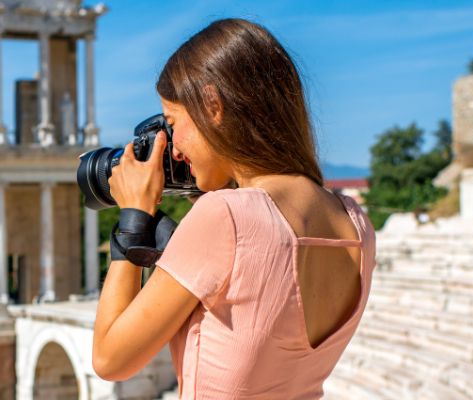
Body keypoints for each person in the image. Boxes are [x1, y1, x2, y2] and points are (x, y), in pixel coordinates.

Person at [92, 18, 376, 398]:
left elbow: (111, 360)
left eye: (174, 124)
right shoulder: (356, 224)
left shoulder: (226, 216)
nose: (173, 147)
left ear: (213, 105)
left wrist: (134, 218)